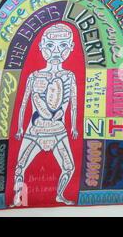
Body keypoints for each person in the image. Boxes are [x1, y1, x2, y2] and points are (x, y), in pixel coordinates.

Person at [10, 23, 78, 207]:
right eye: (50, 46)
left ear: (71, 48)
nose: (56, 51)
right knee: (19, 167)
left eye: (63, 45)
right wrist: (19, 128)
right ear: (41, 47)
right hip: (35, 131)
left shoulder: (70, 76)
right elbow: (23, 103)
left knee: (69, 167)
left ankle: (60, 195)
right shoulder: (34, 76)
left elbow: (74, 104)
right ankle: (18, 198)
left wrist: (73, 126)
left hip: (58, 132)